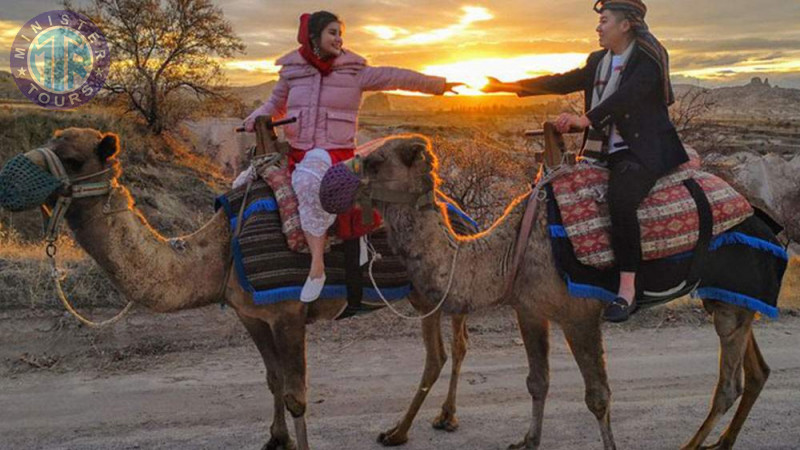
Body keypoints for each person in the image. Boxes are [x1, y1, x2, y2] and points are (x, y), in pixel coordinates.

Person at [482, 0, 688, 322]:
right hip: (604, 151)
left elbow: (628, 97)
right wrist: (507, 86)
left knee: (621, 201)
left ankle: (627, 290)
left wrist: (585, 119)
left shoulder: (648, 58)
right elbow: (561, 80)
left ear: (626, 25)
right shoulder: (597, 61)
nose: (598, 27)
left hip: (643, 151)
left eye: (604, 21)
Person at [241, 11, 463, 304]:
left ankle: (317, 267)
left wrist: (436, 85)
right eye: (332, 32)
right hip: (297, 153)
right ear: (313, 36)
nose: (339, 39)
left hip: (337, 157)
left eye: (340, 33)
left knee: (308, 183)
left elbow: (394, 76)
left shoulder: (354, 71)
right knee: (243, 183)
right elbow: (274, 106)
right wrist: (254, 119)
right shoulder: (292, 72)